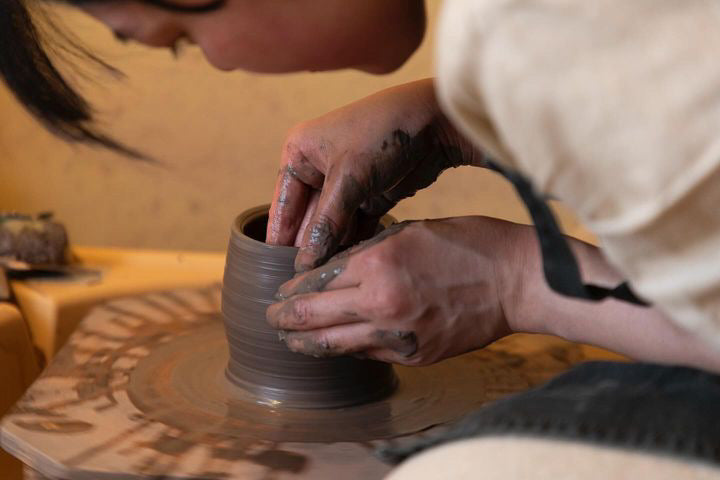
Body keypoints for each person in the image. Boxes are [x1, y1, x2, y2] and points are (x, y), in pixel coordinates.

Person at [3, 0, 720, 477]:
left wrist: (518, 283)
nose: (217, 62)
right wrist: (458, 121)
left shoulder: (529, 24)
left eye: (183, 40)